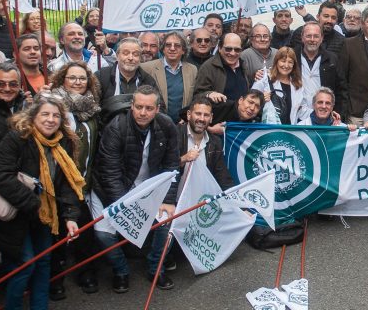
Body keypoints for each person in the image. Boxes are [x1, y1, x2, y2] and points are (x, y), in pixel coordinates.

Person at [0, 96, 83, 310]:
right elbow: (0, 175)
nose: (51, 120)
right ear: (33, 116)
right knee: (25, 265)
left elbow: (66, 183)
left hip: (43, 216)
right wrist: (33, 203)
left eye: (56, 116)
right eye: (45, 114)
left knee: (44, 263)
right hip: (15, 214)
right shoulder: (18, 138)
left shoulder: (64, 142)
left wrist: (70, 217)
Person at [91, 85, 179, 293]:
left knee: (168, 224)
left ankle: (155, 267)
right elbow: (109, 172)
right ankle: (121, 270)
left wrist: (168, 199)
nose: (143, 112)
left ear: (157, 109)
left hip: (147, 186)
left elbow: (171, 165)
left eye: (149, 108)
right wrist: (123, 207)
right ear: (132, 106)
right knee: (103, 233)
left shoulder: (167, 126)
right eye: (139, 107)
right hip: (111, 188)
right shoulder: (116, 127)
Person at [47, 62, 101, 297]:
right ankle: (55, 278)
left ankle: (85, 271)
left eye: (82, 78)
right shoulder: (52, 107)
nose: (78, 82)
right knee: (57, 233)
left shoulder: (92, 109)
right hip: (57, 182)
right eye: (72, 78)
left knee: (85, 231)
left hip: (84, 181)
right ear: (62, 79)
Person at [98, 37, 158, 125]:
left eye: (135, 54)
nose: (130, 58)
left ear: (140, 58)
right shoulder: (102, 76)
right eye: (126, 53)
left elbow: (159, 107)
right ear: (117, 56)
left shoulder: (148, 80)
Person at [178, 97, 234, 189]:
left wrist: (235, 197)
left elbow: (222, 175)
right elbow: (163, 170)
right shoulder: (175, 135)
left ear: (211, 118)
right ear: (188, 114)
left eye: (206, 115)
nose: (202, 119)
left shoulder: (215, 142)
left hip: (201, 200)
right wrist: (183, 159)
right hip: (175, 201)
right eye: (198, 114)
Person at [141, 32, 197, 122]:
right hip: (156, 123)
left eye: (177, 45)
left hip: (183, 124)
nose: (172, 48)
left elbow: (195, 97)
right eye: (168, 45)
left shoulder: (192, 70)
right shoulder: (146, 68)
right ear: (163, 49)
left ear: (183, 50)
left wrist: (186, 117)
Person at [295, 22, 346, 115]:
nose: (312, 39)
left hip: (325, 114)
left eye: (316, 36)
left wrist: (338, 113)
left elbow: (341, 90)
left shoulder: (332, 59)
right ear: (302, 38)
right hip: (296, 114)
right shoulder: (292, 57)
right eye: (308, 36)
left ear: (321, 38)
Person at [252, 47, 310, 124]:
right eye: (283, 61)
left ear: (294, 65)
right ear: (276, 61)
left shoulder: (298, 85)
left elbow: (303, 110)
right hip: (267, 131)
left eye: (290, 62)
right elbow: (251, 100)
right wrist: (262, 99)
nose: (286, 65)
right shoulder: (264, 78)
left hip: (290, 131)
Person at [194, 32, 251, 103]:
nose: (232, 53)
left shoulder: (243, 65)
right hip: (219, 112)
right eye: (228, 49)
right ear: (220, 48)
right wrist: (209, 94)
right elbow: (198, 95)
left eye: (237, 50)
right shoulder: (208, 67)